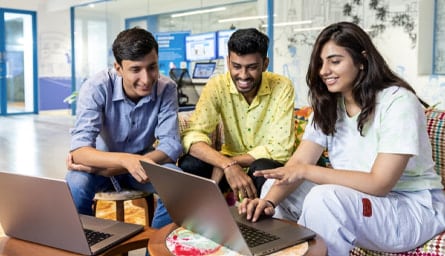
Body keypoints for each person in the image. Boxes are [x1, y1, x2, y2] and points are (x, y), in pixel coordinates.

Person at [239, 21, 445, 254]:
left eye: (335, 61)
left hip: (410, 207)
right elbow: (298, 164)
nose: (324, 70)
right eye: (320, 63)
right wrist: (267, 203)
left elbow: (380, 183)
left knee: (324, 198)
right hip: (359, 199)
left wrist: (306, 171)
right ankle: (274, 250)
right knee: (273, 188)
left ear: (362, 60)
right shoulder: (329, 105)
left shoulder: (398, 102)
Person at [65, 27, 182, 229]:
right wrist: (124, 161)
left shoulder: (167, 88)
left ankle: (155, 250)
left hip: (137, 167)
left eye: (152, 67)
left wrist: (131, 164)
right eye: (136, 69)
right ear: (118, 68)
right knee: (75, 183)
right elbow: (80, 151)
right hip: (98, 168)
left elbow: (171, 145)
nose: (146, 79)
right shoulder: (96, 87)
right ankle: (84, 247)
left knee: (177, 182)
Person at [179, 28, 296, 202]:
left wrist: (233, 162)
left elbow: (281, 149)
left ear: (265, 63)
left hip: (261, 165)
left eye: (252, 67)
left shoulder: (282, 86)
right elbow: (192, 134)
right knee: (190, 163)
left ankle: (252, 221)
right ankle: (202, 215)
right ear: (228, 62)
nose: (243, 75)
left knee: (262, 166)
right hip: (226, 165)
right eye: (236, 66)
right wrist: (225, 164)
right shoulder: (217, 85)